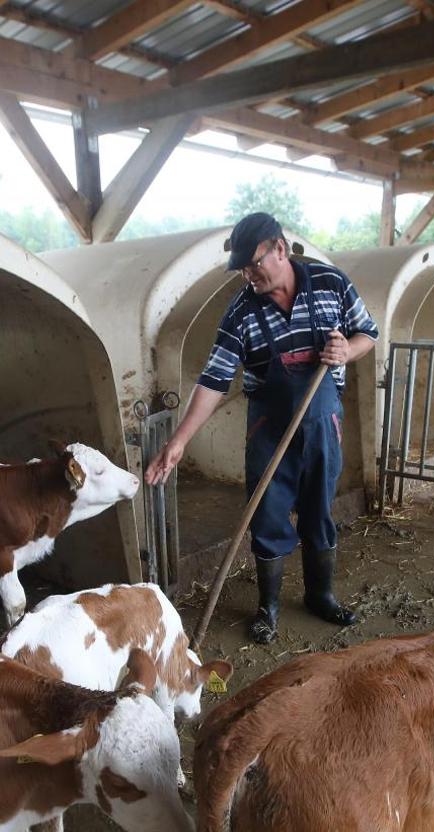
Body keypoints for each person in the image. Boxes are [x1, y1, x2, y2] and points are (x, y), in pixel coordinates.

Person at [144, 212, 378, 644]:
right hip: (269, 428)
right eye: (242, 268)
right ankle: (268, 608)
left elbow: (368, 334)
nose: (248, 275)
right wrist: (179, 441)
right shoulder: (241, 313)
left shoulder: (331, 284)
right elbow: (214, 380)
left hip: (322, 421)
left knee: (318, 512)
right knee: (267, 514)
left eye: (254, 264)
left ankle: (320, 595)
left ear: (280, 249)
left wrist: (347, 350)